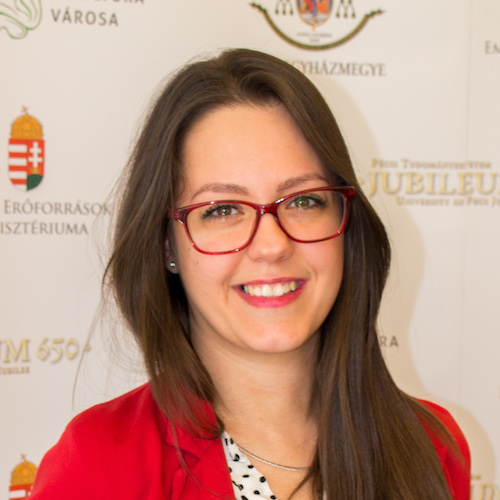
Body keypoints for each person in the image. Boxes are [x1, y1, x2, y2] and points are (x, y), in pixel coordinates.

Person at [30, 48, 470, 500]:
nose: (272, 245)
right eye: (222, 210)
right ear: (167, 244)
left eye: (304, 201)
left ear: (346, 223)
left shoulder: (431, 446)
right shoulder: (97, 466)